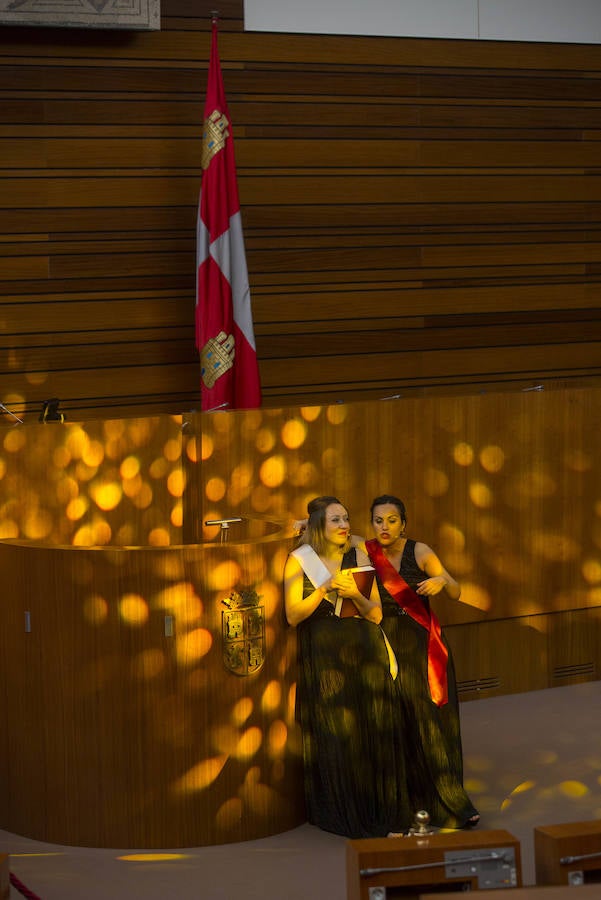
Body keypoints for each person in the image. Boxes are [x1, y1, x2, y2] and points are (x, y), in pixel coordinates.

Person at [284, 496, 412, 838]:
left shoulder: (358, 555)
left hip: (365, 650)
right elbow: (293, 616)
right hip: (326, 657)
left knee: (374, 726)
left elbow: (376, 615)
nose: (344, 525)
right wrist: (324, 588)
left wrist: (354, 594)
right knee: (340, 732)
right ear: (319, 526)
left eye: (346, 518)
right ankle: (345, 807)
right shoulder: (299, 560)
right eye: (335, 520)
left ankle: (381, 807)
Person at [362, 494, 480, 829]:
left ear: (404, 523)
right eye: (378, 521)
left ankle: (449, 800)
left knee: (430, 721)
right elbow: (328, 535)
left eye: (392, 520)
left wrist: (442, 581)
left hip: (421, 645)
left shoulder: (420, 551)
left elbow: (456, 591)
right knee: (396, 721)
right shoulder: (365, 551)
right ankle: (406, 800)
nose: (384, 527)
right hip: (385, 645)